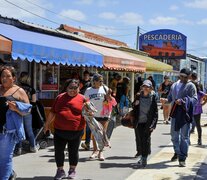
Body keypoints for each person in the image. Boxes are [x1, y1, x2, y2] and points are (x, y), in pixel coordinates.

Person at [44, 79, 86, 180]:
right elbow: (53, 112)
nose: (73, 90)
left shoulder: (83, 99)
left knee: (73, 151)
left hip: (76, 131)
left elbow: (89, 113)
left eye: (75, 88)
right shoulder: (60, 97)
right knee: (58, 151)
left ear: (79, 88)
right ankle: (60, 171)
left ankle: (72, 170)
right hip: (59, 130)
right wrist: (46, 125)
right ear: (66, 88)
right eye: (70, 88)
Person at [161, 68, 197, 167]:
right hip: (175, 113)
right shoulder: (174, 85)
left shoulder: (191, 85)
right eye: (182, 76)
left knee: (184, 137)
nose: (183, 78)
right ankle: (178, 152)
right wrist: (165, 100)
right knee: (174, 135)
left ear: (189, 77)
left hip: (185, 114)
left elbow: (194, 99)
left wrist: (183, 101)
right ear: (179, 75)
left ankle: (182, 158)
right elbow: (170, 98)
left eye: (186, 77)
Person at [0, 66, 31, 179]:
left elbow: (28, 110)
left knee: (5, 157)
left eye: (8, 76)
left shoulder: (19, 91)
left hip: (9, 130)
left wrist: (16, 108)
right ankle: (10, 173)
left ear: (13, 78)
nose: (4, 78)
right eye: (2, 76)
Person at [133, 80, 158, 167]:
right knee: (140, 139)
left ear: (151, 88)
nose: (146, 88)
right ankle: (144, 155)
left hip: (148, 122)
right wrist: (135, 104)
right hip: (139, 122)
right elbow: (134, 106)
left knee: (145, 140)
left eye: (147, 87)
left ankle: (144, 158)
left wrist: (153, 125)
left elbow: (155, 113)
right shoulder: (138, 96)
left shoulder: (153, 97)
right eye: (144, 86)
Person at [84, 73, 109, 161]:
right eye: (99, 81)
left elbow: (110, 100)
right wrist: (88, 110)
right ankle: (95, 150)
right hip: (93, 115)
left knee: (102, 132)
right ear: (94, 81)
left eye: (102, 81)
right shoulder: (89, 90)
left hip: (104, 114)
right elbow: (85, 101)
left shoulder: (105, 88)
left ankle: (101, 152)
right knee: (95, 133)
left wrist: (108, 100)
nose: (101, 82)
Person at [14, 72, 38, 155]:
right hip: (27, 111)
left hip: (17, 110)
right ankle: (33, 147)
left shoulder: (17, 88)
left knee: (18, 129)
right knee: (29, 130)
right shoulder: (31, 89)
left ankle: (18, 149)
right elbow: (34, 102)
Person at [80, 70, 92, 150]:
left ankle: (87, 143)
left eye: (87, 76)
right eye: (85, 75)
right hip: (81, 104)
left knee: (88, 126)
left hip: (88, 105)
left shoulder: (91, 84)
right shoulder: (81, 83)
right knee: (81, 124)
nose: (86, 77)